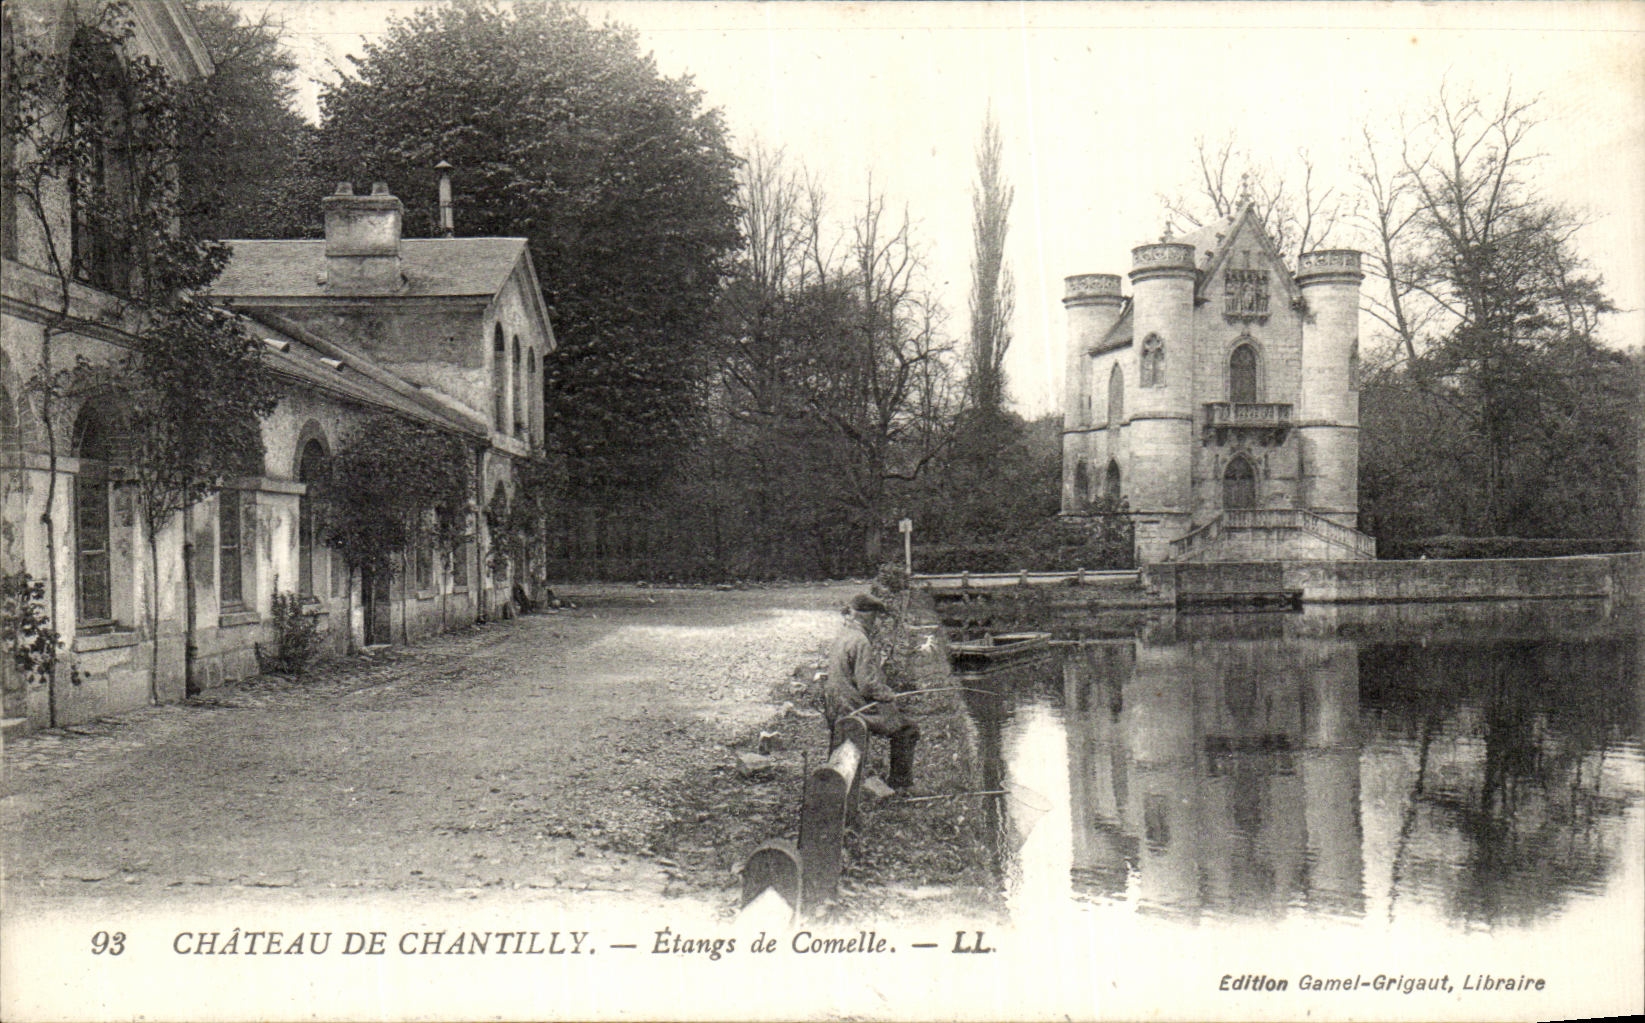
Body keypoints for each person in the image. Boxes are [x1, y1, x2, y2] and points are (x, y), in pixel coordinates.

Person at [825, 592, 920, 790]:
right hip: (853, 709)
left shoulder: (843, 635)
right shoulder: (861, 641)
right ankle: (901, 785)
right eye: (876, 616)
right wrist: (887, 695)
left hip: (835, 707)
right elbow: (867, 685)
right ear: (866, 616)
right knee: (908, 729)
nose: (877, 622)